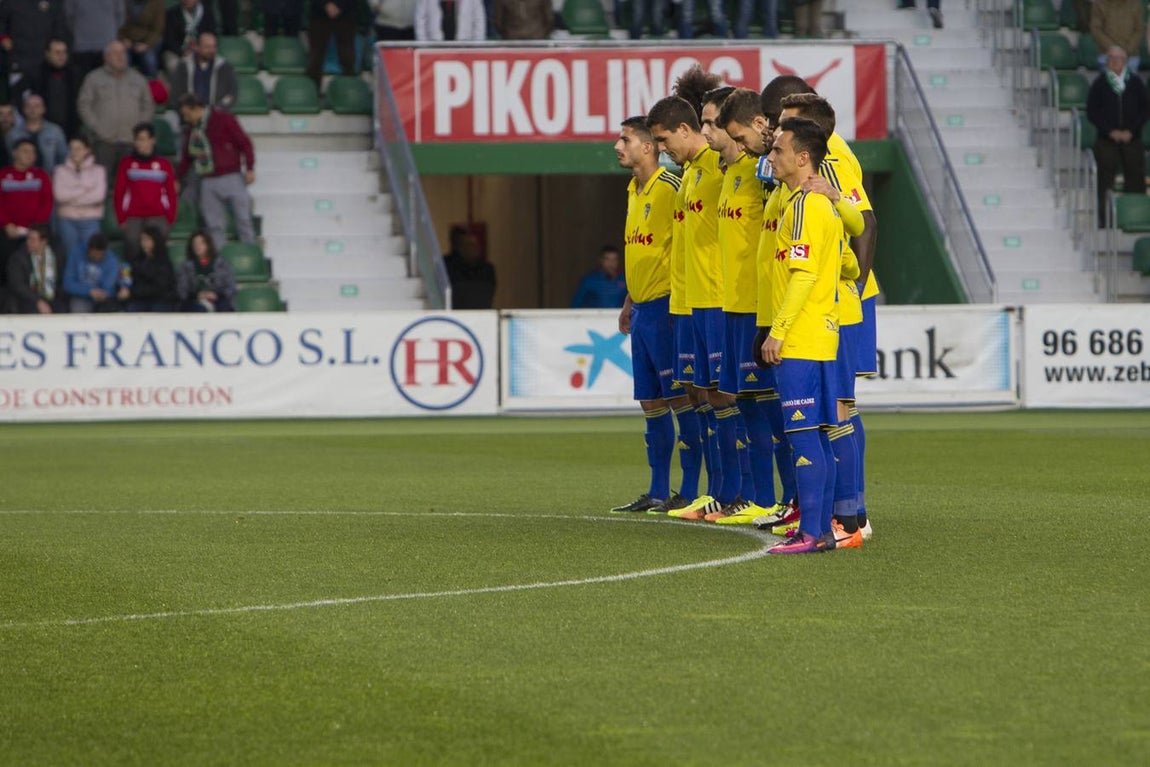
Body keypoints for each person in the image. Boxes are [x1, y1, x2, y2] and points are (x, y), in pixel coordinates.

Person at [647, 92, 741, 521]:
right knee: (699, 393)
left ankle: (742, 493)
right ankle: (717, 491)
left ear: (686, 130)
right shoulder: (686, 175)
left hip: (717, 299)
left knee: (727, 395)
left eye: (664, 139)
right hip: (687, 303)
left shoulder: (720, 168)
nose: (661, 149)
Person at [717, 86, 800, 531]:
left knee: (777, 405)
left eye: (732, 132)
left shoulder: (771, 171)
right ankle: (763, 498)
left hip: (760, 302)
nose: (733, 142)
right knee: (749, 400)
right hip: (736, 302)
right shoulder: (748, 172)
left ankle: (788, 500)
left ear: (759, 124)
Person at [608, 116, 695, 514]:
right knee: (650, 402)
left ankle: (691, 490)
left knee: (680, 398)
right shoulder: (632, 190)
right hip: (642, 308)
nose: (617, 146)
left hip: (666, 307)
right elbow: (644, 249)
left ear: (649, 147)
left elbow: (684, 249)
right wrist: (630, 299)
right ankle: (658, 490)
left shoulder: (672, 187)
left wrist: (678, 304)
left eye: (624, 139)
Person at [176, 94, 256, 251]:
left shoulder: (224, 119)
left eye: (187, 114)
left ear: (197, 109)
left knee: (243, 219)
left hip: (231, 176)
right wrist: (176, 178)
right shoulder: (192, 130)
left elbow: (244, 143)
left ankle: (251, 253)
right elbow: (187, 158)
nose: (185, 119)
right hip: (207, 180)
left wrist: (250, 167)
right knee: (214, 226)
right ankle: (220, 261)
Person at [1088, 45, 1148, 221]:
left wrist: (1131, 130)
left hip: (1132, 137)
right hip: (1107, 139)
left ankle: (1137, 216)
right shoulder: (1099, 83)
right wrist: (1110, 131)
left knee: (1135, 176)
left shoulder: (1135, 82)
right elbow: (1093, 112)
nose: (1114, 62)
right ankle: (1104, 219)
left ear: (1125, 62)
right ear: (1107, 62)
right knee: (1105, 179)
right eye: (1111, 59)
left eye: (1118, 58)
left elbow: (1144, 110)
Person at [77, 40, 155, 174]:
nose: (121, 56)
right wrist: (96, 126)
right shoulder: (93, 78)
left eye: (123, 52)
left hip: (131, 140)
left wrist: (140, 128)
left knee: (130, 181)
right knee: (103, 183)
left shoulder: (138, 79)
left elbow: (148, 105)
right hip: (104, 141)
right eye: (116, 53)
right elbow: (84, 104)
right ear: (106, 57)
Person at [115, 122, 179, 262]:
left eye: (144, 139)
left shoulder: (164, 165)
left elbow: (171, 194)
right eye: (138, 139)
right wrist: (121, 218)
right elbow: (119, 192)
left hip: (158, 215)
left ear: (152, 140)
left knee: (157, 249)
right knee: (132, 244)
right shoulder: (126, 164)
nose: (141, 143)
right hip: (133, 216)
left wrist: (170, 218)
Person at [0, 140, 54, 280]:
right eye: (25, 151)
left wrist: (36, 228)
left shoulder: (41, 176)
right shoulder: (3, 175)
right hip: (7, 231)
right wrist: (6, 224)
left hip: (34, 231)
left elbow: (47, 203)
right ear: (14, 153)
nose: (30, 155)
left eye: (33, 152)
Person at [12, 39, 82, 140]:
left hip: (71, 127)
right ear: (47, 54)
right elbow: (16, 91)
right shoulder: (35, 73)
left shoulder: (75, 73)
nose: (61, 56)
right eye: (57, 52)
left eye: (64, 52)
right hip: (42, 128)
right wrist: (27, 111)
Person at [54, 136, 107, 266]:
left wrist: (71, 196)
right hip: (67, 220)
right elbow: (60, 196)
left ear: (87, 150)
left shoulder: (99, 171)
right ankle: (73, 286)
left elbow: (98, 196)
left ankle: (90, 285)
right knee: (71, 256)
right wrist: (84, 189)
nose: (74, 152)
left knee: (92, 255)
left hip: (90, 219)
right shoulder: (60, 170)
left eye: (78, 148)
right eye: (71, 148)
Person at [0, 0, 69, 84]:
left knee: (46, 92)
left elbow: (60, 24)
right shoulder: (10, 2)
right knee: (19, 93)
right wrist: (3, 38)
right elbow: (1, 21)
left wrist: (57, 43)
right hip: (18, 57)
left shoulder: (54, 2)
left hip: (45, 59)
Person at [170, 32, 237, 111]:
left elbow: (232, 93)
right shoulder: (183, 66)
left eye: (214, 47)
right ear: (197, 47)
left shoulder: (224, 67)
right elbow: (176, 93)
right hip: (189, 114)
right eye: (207, 47)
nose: (212, 51)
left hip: (216, 114)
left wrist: (218, 109)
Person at [5, 223, 64, 314]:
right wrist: (37, 301)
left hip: (52, 296)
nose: (28, 242)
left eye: (32, 240)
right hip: (28, 298)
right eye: (28, 238)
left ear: (44, 241)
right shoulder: (18, 258)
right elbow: (17, 285)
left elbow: (60, 280)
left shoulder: (56, 255)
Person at [63, 232, 123, 312]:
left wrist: (103, 293)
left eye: (100, 255)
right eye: (94, 254)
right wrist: (89, 291)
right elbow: (68, 284)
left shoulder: (112, 261)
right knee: (78, 308)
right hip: (81, 296)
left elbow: (110, 288)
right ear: (88, 250)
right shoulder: (76, 254)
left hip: (104, 300)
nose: (97, 257)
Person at [177, 230, 236, 311]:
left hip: (219, 300)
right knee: (197, 309)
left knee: (224, 307)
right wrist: (197, 295)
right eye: (195, 244)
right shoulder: (185, 267)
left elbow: (231, 287)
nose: (198, 246)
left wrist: (216, 295)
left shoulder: (222, 264)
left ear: (208, 245)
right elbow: (182, 291)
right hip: (194, 302)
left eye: (201, 243)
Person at [8, 94, 68, 172]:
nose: (33, 110)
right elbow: (10, 159)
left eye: (37, 106)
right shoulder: (13, 134)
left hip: (50, 179)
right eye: (29, 106)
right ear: (24, 109)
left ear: (43, 109)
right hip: (20, 181)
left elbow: (63, 157)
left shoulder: (55, 131)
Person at [64, 0, 126, 75]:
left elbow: (120, 16)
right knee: (83, 82)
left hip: (107, 47)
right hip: (83, 47)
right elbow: (68, 16)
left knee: (108, 82)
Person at [443, 225, 496, 309]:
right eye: (469, 245)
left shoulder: (486, 269)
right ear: (459, 247)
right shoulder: (446, 267)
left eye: (475, 244)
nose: (475, 248)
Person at [126, 225, 178, 311]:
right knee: (132, 308)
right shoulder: (138, 260)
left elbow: (160, 288)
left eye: (147, 239)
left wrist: (134, 292)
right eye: (142, 240)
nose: (144, 243)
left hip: (161, 300)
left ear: (155, 241)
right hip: (141, 300)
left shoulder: (163, 262)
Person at [307, 1, 357, 88]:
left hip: (346, 15)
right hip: (319, 15)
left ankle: (350, 91)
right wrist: (325, 4)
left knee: (347, 58)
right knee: (315, 58)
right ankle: (312, 92)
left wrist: (340, 6)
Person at [163, 0, 217, 76]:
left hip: (201, 51)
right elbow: (169, 40)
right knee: (174, 66)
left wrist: (199, 49)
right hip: (176, 52)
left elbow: (212, 35)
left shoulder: (207, 13)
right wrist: (182, 52)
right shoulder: (172, 13)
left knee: (208, 65)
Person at [1091, 0, 1144, 70]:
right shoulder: (1100, 4)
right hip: (1106, 56)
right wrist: (1114, 49)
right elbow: (1096, 29)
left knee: (1131, 80)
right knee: (1108, 80)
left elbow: (1139, 29)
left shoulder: (1135, 3)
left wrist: (1127, 50)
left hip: (1131, 57)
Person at [120, 0, 167, 79]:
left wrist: (146, 45)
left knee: (149, 61)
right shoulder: (124, 2)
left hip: (147, 41)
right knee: (123, 60)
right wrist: (123, 39)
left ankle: (151, 85)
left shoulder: (157, 3)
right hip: (128, 40)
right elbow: (118, 24)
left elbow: (158, 29)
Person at [416, 0, 487, 40]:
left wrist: (477, 48)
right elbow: (420, 19)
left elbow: (479, 22)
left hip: (464, 46)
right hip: (434, 46)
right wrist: (423, 46)